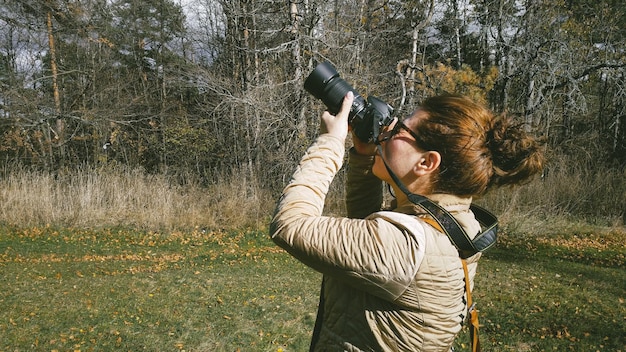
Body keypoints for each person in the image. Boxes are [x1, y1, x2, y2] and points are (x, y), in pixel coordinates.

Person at [270, 91, 544, 351]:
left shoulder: (409, 244)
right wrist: (365, 156)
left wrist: (330, 142)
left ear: (426, 163)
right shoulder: (453, 223)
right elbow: (367, 238)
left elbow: (290, 224)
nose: (389, 128)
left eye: (402, 128)